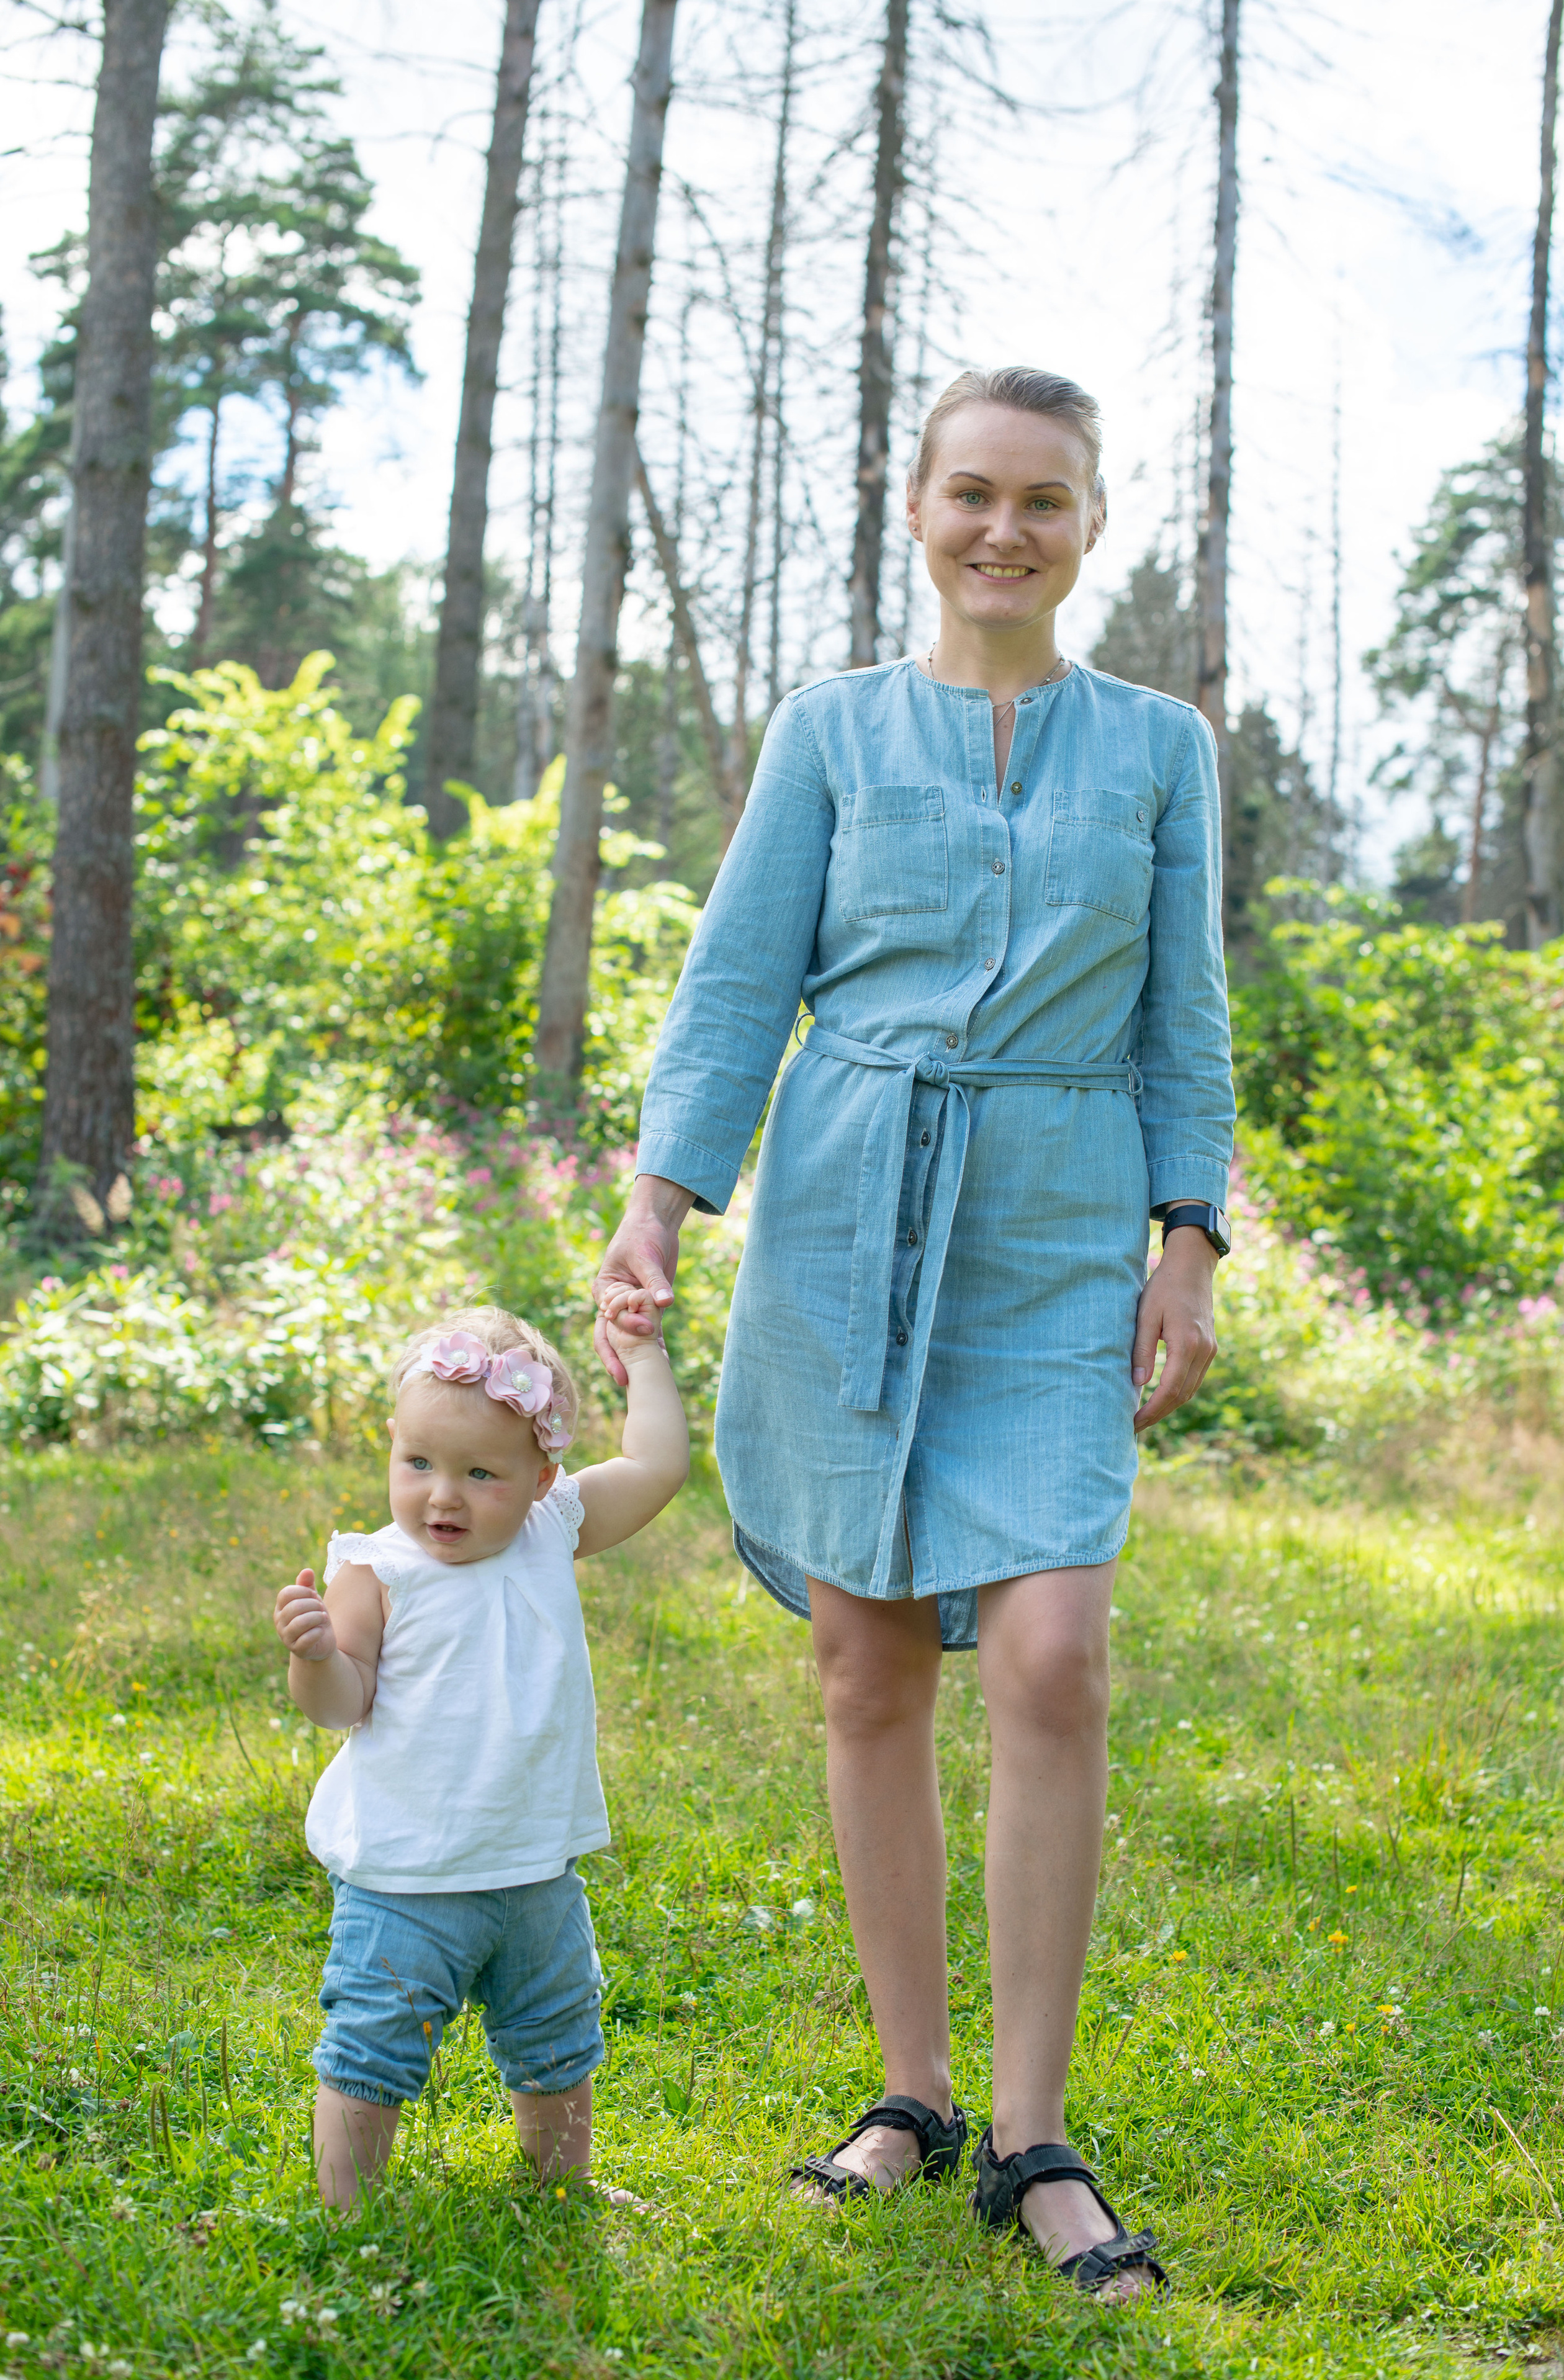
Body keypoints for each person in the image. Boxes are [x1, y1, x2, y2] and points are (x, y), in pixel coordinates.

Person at [593, 366, 1234, 2297]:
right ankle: (914, 2091)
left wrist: (1187, 1236)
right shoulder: (834, 729)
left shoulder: (1158, 749)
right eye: (972, 493)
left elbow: (1180, 1015)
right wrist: (657, 1207)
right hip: (845, 1212)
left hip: (1052, 1231)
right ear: (916, 503)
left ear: (1090, 523)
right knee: (868, 1671)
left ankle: (1037, 2132)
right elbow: (736, 985)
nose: (1003, 531)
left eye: (1045, 500)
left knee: (1052, 1653)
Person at [272, 1296, 688, 2209]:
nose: (442, 1494)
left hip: (536, 1868)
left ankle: (562, 2188)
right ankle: (349, 2213)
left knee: (557, 2038)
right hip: (406, 1877)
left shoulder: (553, 1531)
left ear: (543, 1478)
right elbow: (343, 1702)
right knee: (374, 2045)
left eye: (479, 1473)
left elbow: (658, 1466)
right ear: (391, 1445)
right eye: (416, 1462)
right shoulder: (374, 1568)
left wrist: (643, 1356)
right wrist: (315, 1657)